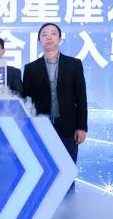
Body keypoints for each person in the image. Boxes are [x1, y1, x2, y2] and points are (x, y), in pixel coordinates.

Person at [22, 23, 87, 165]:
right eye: (44, 35)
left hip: (68, 128)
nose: (49, 37)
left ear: (60, 38)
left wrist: (81, 127)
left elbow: (81, 97)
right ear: (39, 41)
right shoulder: (30, 68)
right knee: (45, 168)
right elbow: (27, 101)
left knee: (68, 169)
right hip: (41, 128)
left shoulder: (74, 64)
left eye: (53, 34)